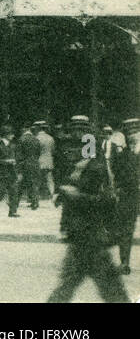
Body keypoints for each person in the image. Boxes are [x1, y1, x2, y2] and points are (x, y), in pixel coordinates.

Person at [47, 120, 129, 303]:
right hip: (84, 237)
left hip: (91, 236)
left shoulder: (95, 169)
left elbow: (107, 200)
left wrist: (74, 196)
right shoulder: (78, 170)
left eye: (80, 139)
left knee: (104, 289)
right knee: (109, 289)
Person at [114, 118, 140, 275]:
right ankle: (124, 262)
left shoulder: (122, 154)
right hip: (129, 193)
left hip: (129, 194)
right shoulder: (122, 154)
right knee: (126, 228)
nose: (133, 136)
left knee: (125, 229)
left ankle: (124, 262)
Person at [15, 124, 42, 211]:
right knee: (34, 183)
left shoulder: (21, 139)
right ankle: (35, 202)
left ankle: (15, 202)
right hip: (35, 163)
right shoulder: (36, 139)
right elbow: (38, 152)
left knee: (20, 184)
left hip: (24, 164)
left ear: (24, 129)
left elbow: (19, 154)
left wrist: (18, 165)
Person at [35, 120, 56, 199]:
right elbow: (53, 150)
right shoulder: (51, 138)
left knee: (37, 180)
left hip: (39, 161)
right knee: (49, 179)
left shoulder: (36, 138)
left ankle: (35, 197)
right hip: (48, 161)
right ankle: (52, 194)